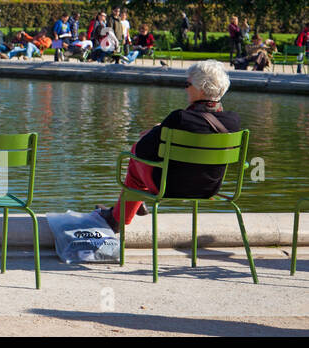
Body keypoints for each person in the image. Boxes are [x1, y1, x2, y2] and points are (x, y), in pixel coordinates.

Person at [96, 60, 239, 228]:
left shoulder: (179, 118)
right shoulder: (233, 121)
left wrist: (155, 131)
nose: (186, 88)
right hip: (210, 188)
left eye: (188, 84)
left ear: (201, 88)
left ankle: (119, 218)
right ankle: (134, 203)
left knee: (135, 153)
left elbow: (143, 150)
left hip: (170, 188)